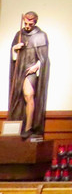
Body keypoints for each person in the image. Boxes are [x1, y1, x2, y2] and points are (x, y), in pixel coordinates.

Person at [9, 11, 49, 139]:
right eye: (25, 23)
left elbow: (43, 58)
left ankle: (29, 127)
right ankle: (20, 126)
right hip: (20, 68)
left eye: (30, 24)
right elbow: (14, 57)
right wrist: (15, 48)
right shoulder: (19, 35)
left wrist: (37, 65)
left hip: (31, 69)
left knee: (29, 94)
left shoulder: (41, 36)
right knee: (19, 97)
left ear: (35, 22)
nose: (27, 26)